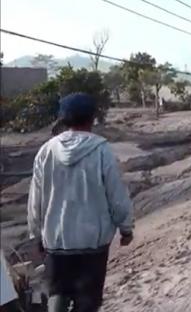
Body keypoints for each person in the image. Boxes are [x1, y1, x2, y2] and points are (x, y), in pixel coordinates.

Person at [27, 93, 134, 312]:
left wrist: (35, 233)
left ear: (63, 119)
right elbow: (116, 194)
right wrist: (126, 228)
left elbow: (35, 199)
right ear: (92, 118)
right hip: (92, 243)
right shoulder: (102, 150)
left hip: (56, 240)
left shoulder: (46, 151)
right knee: (88, 300)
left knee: (57, 292)